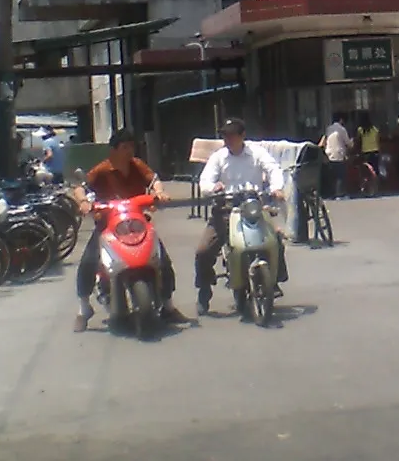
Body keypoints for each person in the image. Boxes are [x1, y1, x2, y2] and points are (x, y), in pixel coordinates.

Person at [74, 129, 183, 331]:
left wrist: (159, 192)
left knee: (161, 259)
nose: (129, 151)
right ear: (113, 150)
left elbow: (153, 180)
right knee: (90, 260)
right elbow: (80, 188)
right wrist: (83, 202)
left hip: (137, 222)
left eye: (131, 147)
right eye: (125, 147)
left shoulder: (137, 165)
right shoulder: (102, 170)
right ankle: (83, 308)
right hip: (108, 224)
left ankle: (168, 305)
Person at [195, 118, 288, 315]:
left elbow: (273, 169)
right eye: (225, 135)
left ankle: (274, 279)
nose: (227, 139)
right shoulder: (219, 157)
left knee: (276, 240)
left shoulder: (256, 152)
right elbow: (205, 180)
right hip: (226, 209)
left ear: (242, 135)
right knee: (203, 251)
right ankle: (204, 290)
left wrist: (276, 188)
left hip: (254, 206)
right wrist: (213, 188)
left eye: (232, 135)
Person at [319, 113, 352, 199]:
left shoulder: (329, 128)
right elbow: (348, 143)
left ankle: (331, 194)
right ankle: (340, 194)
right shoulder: (342, 129)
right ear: (341, 120)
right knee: (340, 175)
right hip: (339, 154)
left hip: (329, 154)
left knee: (332, 175)